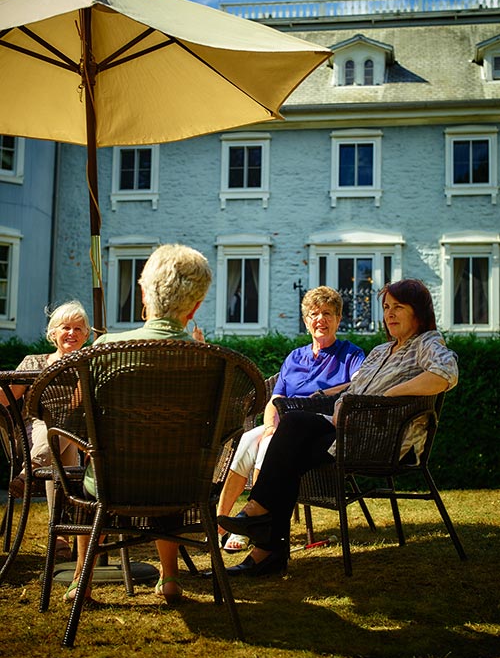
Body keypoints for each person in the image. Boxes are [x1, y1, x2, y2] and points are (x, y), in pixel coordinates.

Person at [218, 279, 458, 577]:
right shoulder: (382, 351)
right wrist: (335, 409)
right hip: (348, 427)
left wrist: (388, 395)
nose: (390, 314)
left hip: (380, 438)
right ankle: (266, 551)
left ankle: (258, 519)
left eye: (398, 307)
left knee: (291, 428)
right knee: (287, 454)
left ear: (418, 311)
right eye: (386, 307)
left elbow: (445, 374)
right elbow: (354, 389)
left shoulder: (427, 342)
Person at [65, 243, 211, 605]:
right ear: (195, 307)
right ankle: (171, 578)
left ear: (144, 294)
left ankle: (81, 580)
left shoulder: (104, 350)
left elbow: (73, 414)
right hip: (181, 483)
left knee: (89, 486)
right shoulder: (211, 361)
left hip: (111, 482)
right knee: (169, 470)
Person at [217, 286, 365, 553]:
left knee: (267, 446)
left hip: (318, 425)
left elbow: (358, 387)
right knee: (248, 440)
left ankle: (255, 523)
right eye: (314, 314)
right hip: (285, 422)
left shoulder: (350, 354)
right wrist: (271, 425)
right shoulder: (295, 357)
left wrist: (323, 393)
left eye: (328, 313)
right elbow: (275, 399)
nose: (320, 319)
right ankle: (220, 526)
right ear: (306, 321)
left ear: (338, 319)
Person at [0, 300, 91, 560]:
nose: (71, 333)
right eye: (65, 327)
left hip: (76, 440)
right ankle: (61, 535)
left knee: (66, 435)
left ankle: (27, 475)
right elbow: (5, 398)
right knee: (58, 431)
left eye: (78, 328)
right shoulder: (34, 362)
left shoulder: (87, 365)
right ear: (53, 333)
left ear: (86, 335)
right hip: (33, 433)